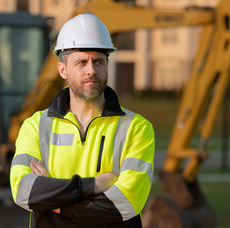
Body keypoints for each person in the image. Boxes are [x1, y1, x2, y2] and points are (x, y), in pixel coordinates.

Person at [10, 14, 155, 228]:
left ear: (107, 64)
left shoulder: (136, 128)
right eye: (81, 62)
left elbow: (124, 203)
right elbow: (24, 191)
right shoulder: (36, 126)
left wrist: (54, 204)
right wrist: (93, 186)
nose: (91, 70)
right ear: (62, 70)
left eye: (98, 61)